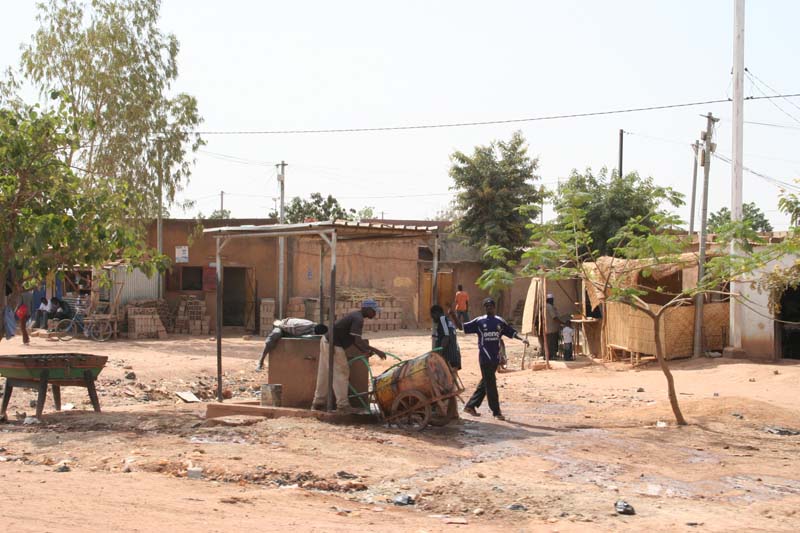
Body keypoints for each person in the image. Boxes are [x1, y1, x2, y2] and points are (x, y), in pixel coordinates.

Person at [312, 299, 386, 413]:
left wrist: (365, 350)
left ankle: (318, 402)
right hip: (334, 344)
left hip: (326, 340)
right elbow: (357, 339)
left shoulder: (355, 316)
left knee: (325, 373)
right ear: (366, 309)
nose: (375, 314)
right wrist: (376, 351)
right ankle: (343, 406)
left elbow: (355, 340)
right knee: (341, 372)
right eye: (374, 311)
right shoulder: (358, 319)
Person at [462, 297, 529, 420]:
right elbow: (464, 328)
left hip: (495, 358)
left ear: (494, 307)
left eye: (490, 306)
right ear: (485, 308)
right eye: (486, 306)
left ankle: (470, 406)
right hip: (484, 358)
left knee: (486, 382)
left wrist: (522, 339)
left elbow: (511, 332)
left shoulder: (499, 321)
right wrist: (454, 316)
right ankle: (496, 412)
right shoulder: (479, 321)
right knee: (491, 385)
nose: (488, 308)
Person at [256, 317, 328, 371]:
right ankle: (261, 362)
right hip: (283, 327)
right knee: (273, 337)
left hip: (293, 332)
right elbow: (284, 325)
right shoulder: (304, 325)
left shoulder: (314, 329)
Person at [430, 304, 461, 371]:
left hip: (448, 357)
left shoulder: (442, 319)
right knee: (451, 380)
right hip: (455, 356)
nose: (432, 318)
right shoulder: (448, 321)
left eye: (432, 315)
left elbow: (446, 337)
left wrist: (439, 356)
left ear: (437, 313)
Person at [544, 294, 563, 360]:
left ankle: (550, 355)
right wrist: (562, 323)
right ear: (550, 300)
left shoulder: (546, 306)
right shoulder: (549, 307)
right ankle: (551, 356)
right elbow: (554, 317)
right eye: (552, 300)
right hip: (551, 328)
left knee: (550, 342)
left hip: (549, 327)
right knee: (551, 342)